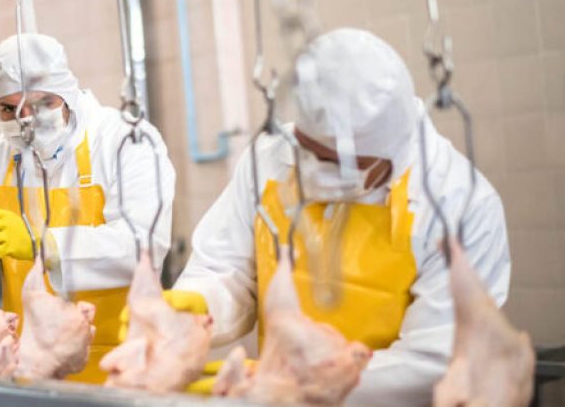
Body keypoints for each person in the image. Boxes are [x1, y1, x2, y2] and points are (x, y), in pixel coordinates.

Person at [167, 28, 510, 405]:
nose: (313, 169)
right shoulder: (271, 157)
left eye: (334, 163)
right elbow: (226, 269)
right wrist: (198, 306)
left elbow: (433, 358)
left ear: (389, 148)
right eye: (307, 150)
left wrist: (300, 384)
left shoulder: (458, 201)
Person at [0, 33, 176, 383]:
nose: (23, 119)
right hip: (28, 361)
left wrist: (43, 244)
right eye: (8, 109)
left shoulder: (122, 140)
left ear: (66, 95)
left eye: (39, 104)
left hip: (121, 361)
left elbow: (142, 246)